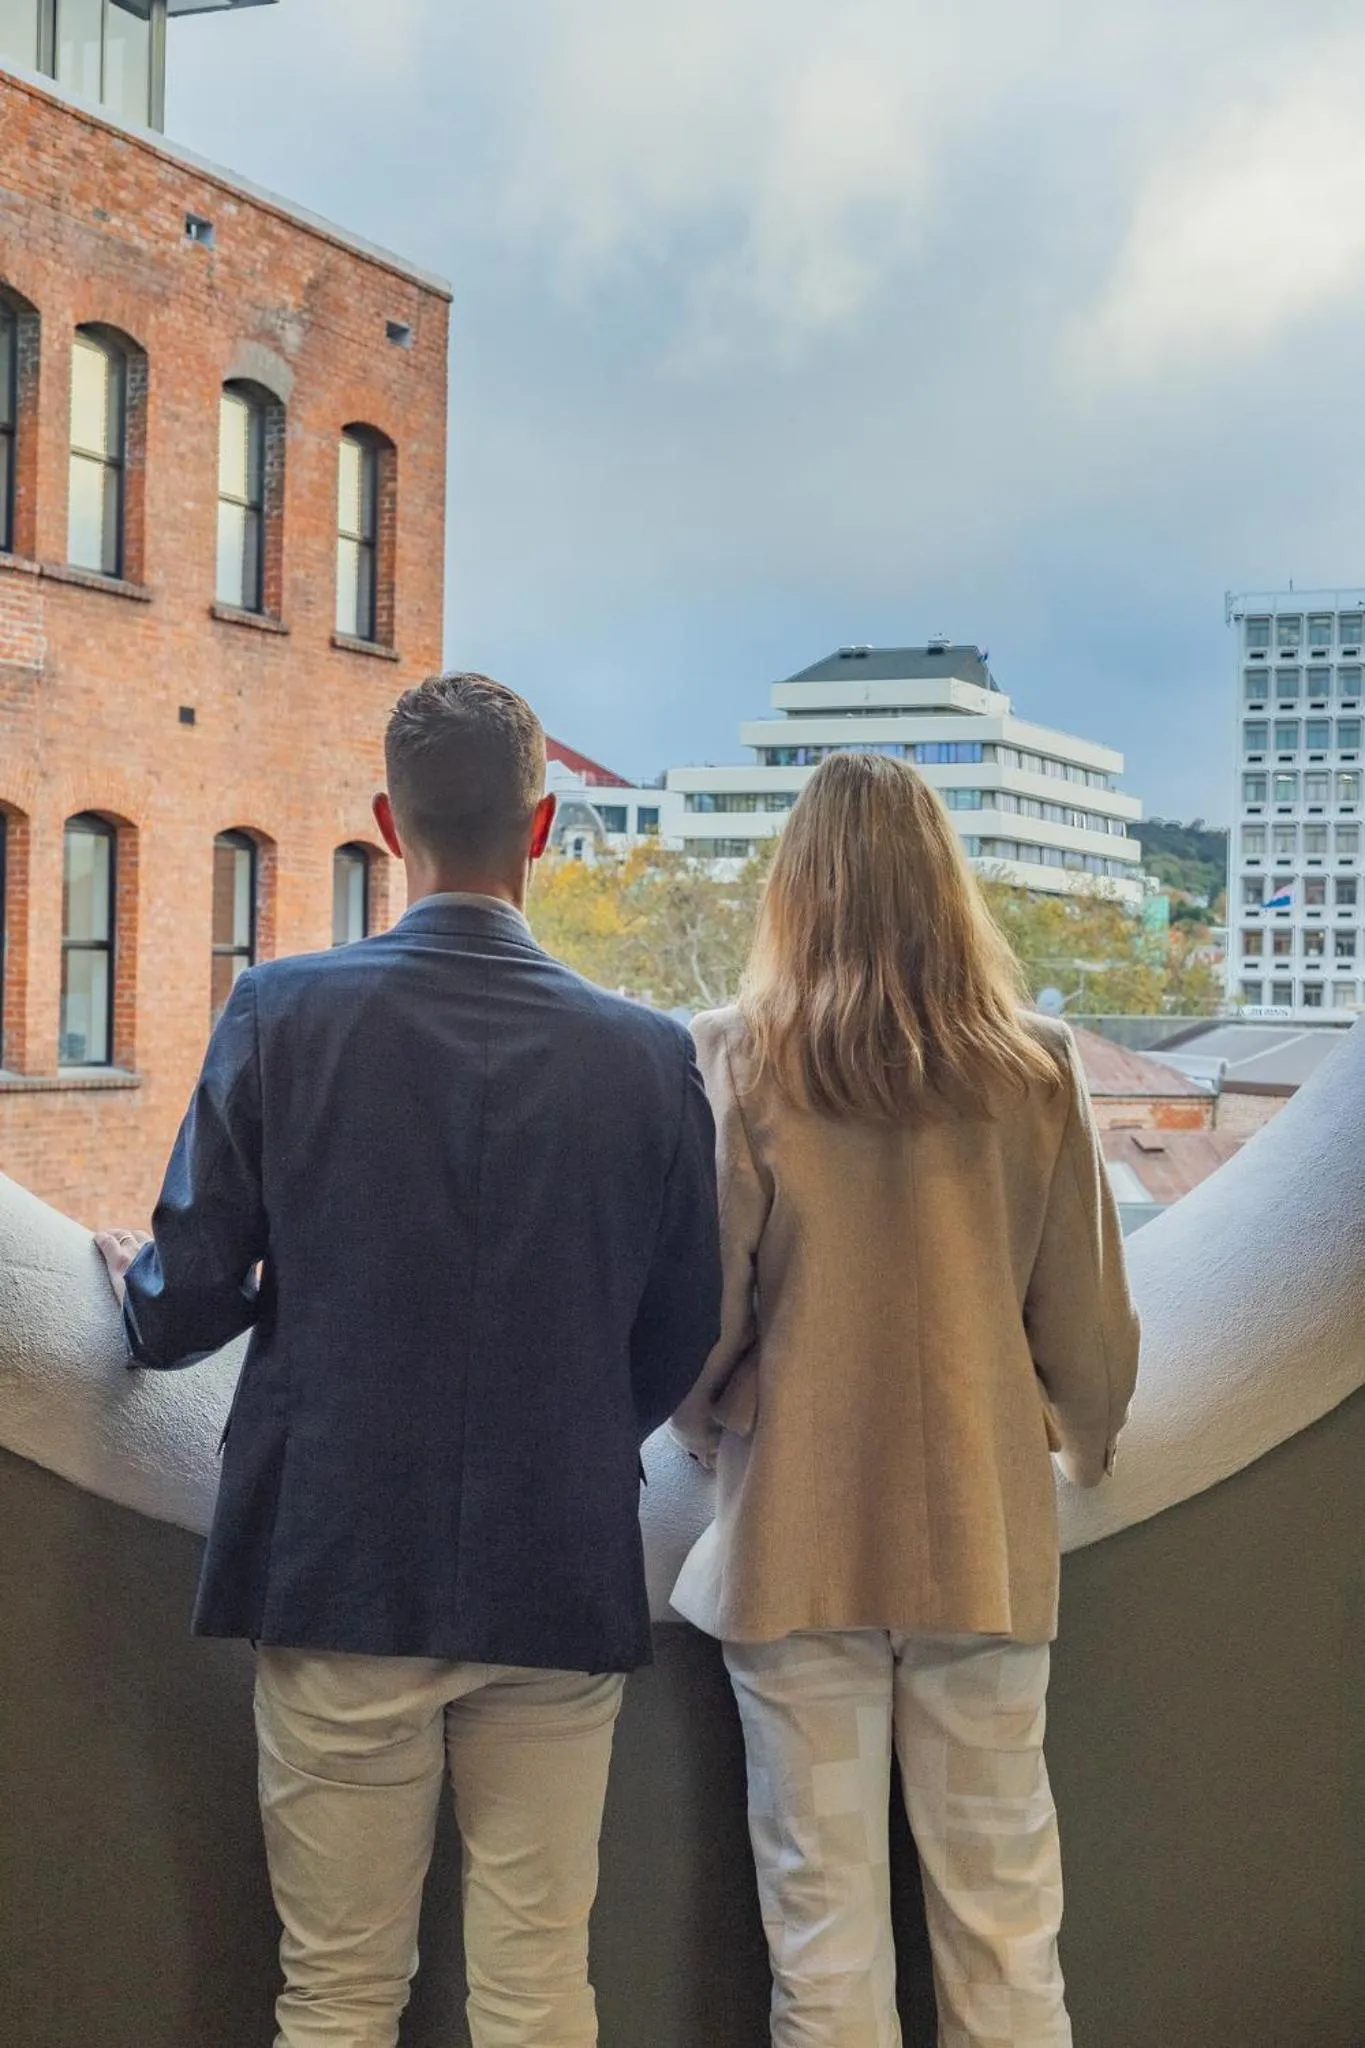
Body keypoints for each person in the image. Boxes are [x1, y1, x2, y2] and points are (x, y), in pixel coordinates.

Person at [95, 672, 721, 2048]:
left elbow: (185, 1296)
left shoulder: (282, 1014)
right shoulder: (648, 1054)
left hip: (337, 1559)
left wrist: (133, 1300)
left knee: (333, 1993)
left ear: (390, 823)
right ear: (543, 826)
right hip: (558, 1565)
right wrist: (564, 1429)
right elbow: (686, 1323)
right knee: (540, 1983)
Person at [669, 752, 1140, 2048]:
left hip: (797, 1539)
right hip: (982, 1541)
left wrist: (701, 1422)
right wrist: (1087, 1442)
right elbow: (1088, 1323)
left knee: (821, 1934)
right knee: (1004, 1926)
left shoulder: (742, 1058)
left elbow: (702, 1313)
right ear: (947, 884)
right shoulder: (1036, 1066)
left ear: (796, 887)